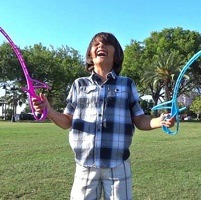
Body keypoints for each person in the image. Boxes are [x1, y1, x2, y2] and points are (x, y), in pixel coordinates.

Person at [32, 32, 175, 200]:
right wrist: (48, 109)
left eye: (106, 44)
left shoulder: (127, 84)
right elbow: (66, 121)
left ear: (116, 55)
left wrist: (160, 121)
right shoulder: (79, 85)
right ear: (90, 56)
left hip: (118, 164)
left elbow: (140, 120)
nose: (100, 46)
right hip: (84, 164)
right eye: (96, 45)